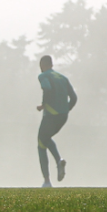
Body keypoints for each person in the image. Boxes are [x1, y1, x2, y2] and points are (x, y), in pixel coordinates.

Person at [35, 55, 77, 188]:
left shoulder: (43, 76)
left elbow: (47, 88)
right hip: (63, 116)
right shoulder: (63, 78)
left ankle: (47, 181)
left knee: (41, 144)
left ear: (42, 65)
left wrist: (43, 104)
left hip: (51, 116)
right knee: (46, 139)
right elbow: (74, 98)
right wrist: (65, 110)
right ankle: (58, 162)